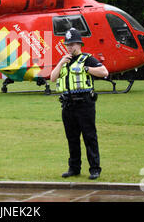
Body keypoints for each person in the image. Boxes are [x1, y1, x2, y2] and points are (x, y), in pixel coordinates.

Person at [50, 28, 109, 180]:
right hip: (68, 105)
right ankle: (74, 168)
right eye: (68, 45)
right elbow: (52, 78)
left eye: (72, 44)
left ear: (79, 44)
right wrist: (61, 63)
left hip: (84, 104)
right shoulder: (65, 61)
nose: (70, 47)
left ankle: (95, 169)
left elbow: (104, 72)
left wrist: (88, 69)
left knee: (89, 137)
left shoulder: (87, 59)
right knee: (72, 138)